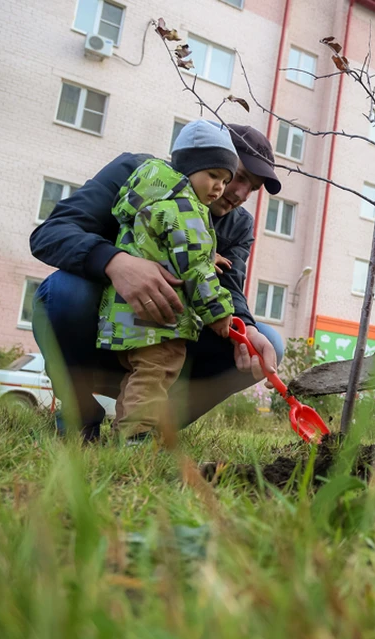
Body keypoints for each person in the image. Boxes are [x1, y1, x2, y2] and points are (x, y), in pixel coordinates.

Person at [30, 123, 285, 442]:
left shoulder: (237, 226)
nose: (238, 193)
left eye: (251, 188)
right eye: (239, 176)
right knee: (64, 290)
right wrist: (115, 262)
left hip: (168, 343)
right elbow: (49, 234)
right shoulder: (133, 172)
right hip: (105, 332)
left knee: (267, 342)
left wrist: (245, 327)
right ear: (200, 158)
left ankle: (149, 428)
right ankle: (80, 411)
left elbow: (230, 290)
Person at [98, 120, 238, 442]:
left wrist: (204, 251)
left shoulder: (154, 197)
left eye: (225, 180)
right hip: (158, 318)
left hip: (124, 312)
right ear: (190, 167)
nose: (219, 187)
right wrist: (217, 311)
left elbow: (158, 243)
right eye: (213, 175)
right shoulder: (186, 207)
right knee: (155, 373)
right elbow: (194, 267)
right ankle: (135, 439)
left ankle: (124, 433)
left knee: (140, 375)